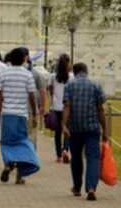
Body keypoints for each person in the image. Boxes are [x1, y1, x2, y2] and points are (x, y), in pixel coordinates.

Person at [62, 63, 108, 201]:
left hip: (75, 128)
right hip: (92, 128)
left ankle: (77, 187)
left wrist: (64, 125)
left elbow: (67, 107)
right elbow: (100, 109)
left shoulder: (69, 85)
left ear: (75, 72)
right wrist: (105, 130)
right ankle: (91, 188)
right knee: (93, 158)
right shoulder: (96, 85)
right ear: (86, 71)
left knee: (76, 158)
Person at [0, 47, 40, 185]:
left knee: (7, 142)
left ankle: (7, 164)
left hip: (7, 114)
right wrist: (35, 114)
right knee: (21, 142)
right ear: (24, 59)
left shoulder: (3, 73)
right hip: (21, 115)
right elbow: (32, 96)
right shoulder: (27, 75)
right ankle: (20, 175)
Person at [48, 53, 73, 163]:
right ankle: (65, 150)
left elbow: (51, 90)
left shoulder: (53, 76)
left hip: (56, 106)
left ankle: (58, 155)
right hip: (67, 107)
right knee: (66, 130)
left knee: (57, 132)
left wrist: (53, 100)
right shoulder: (71, 77)